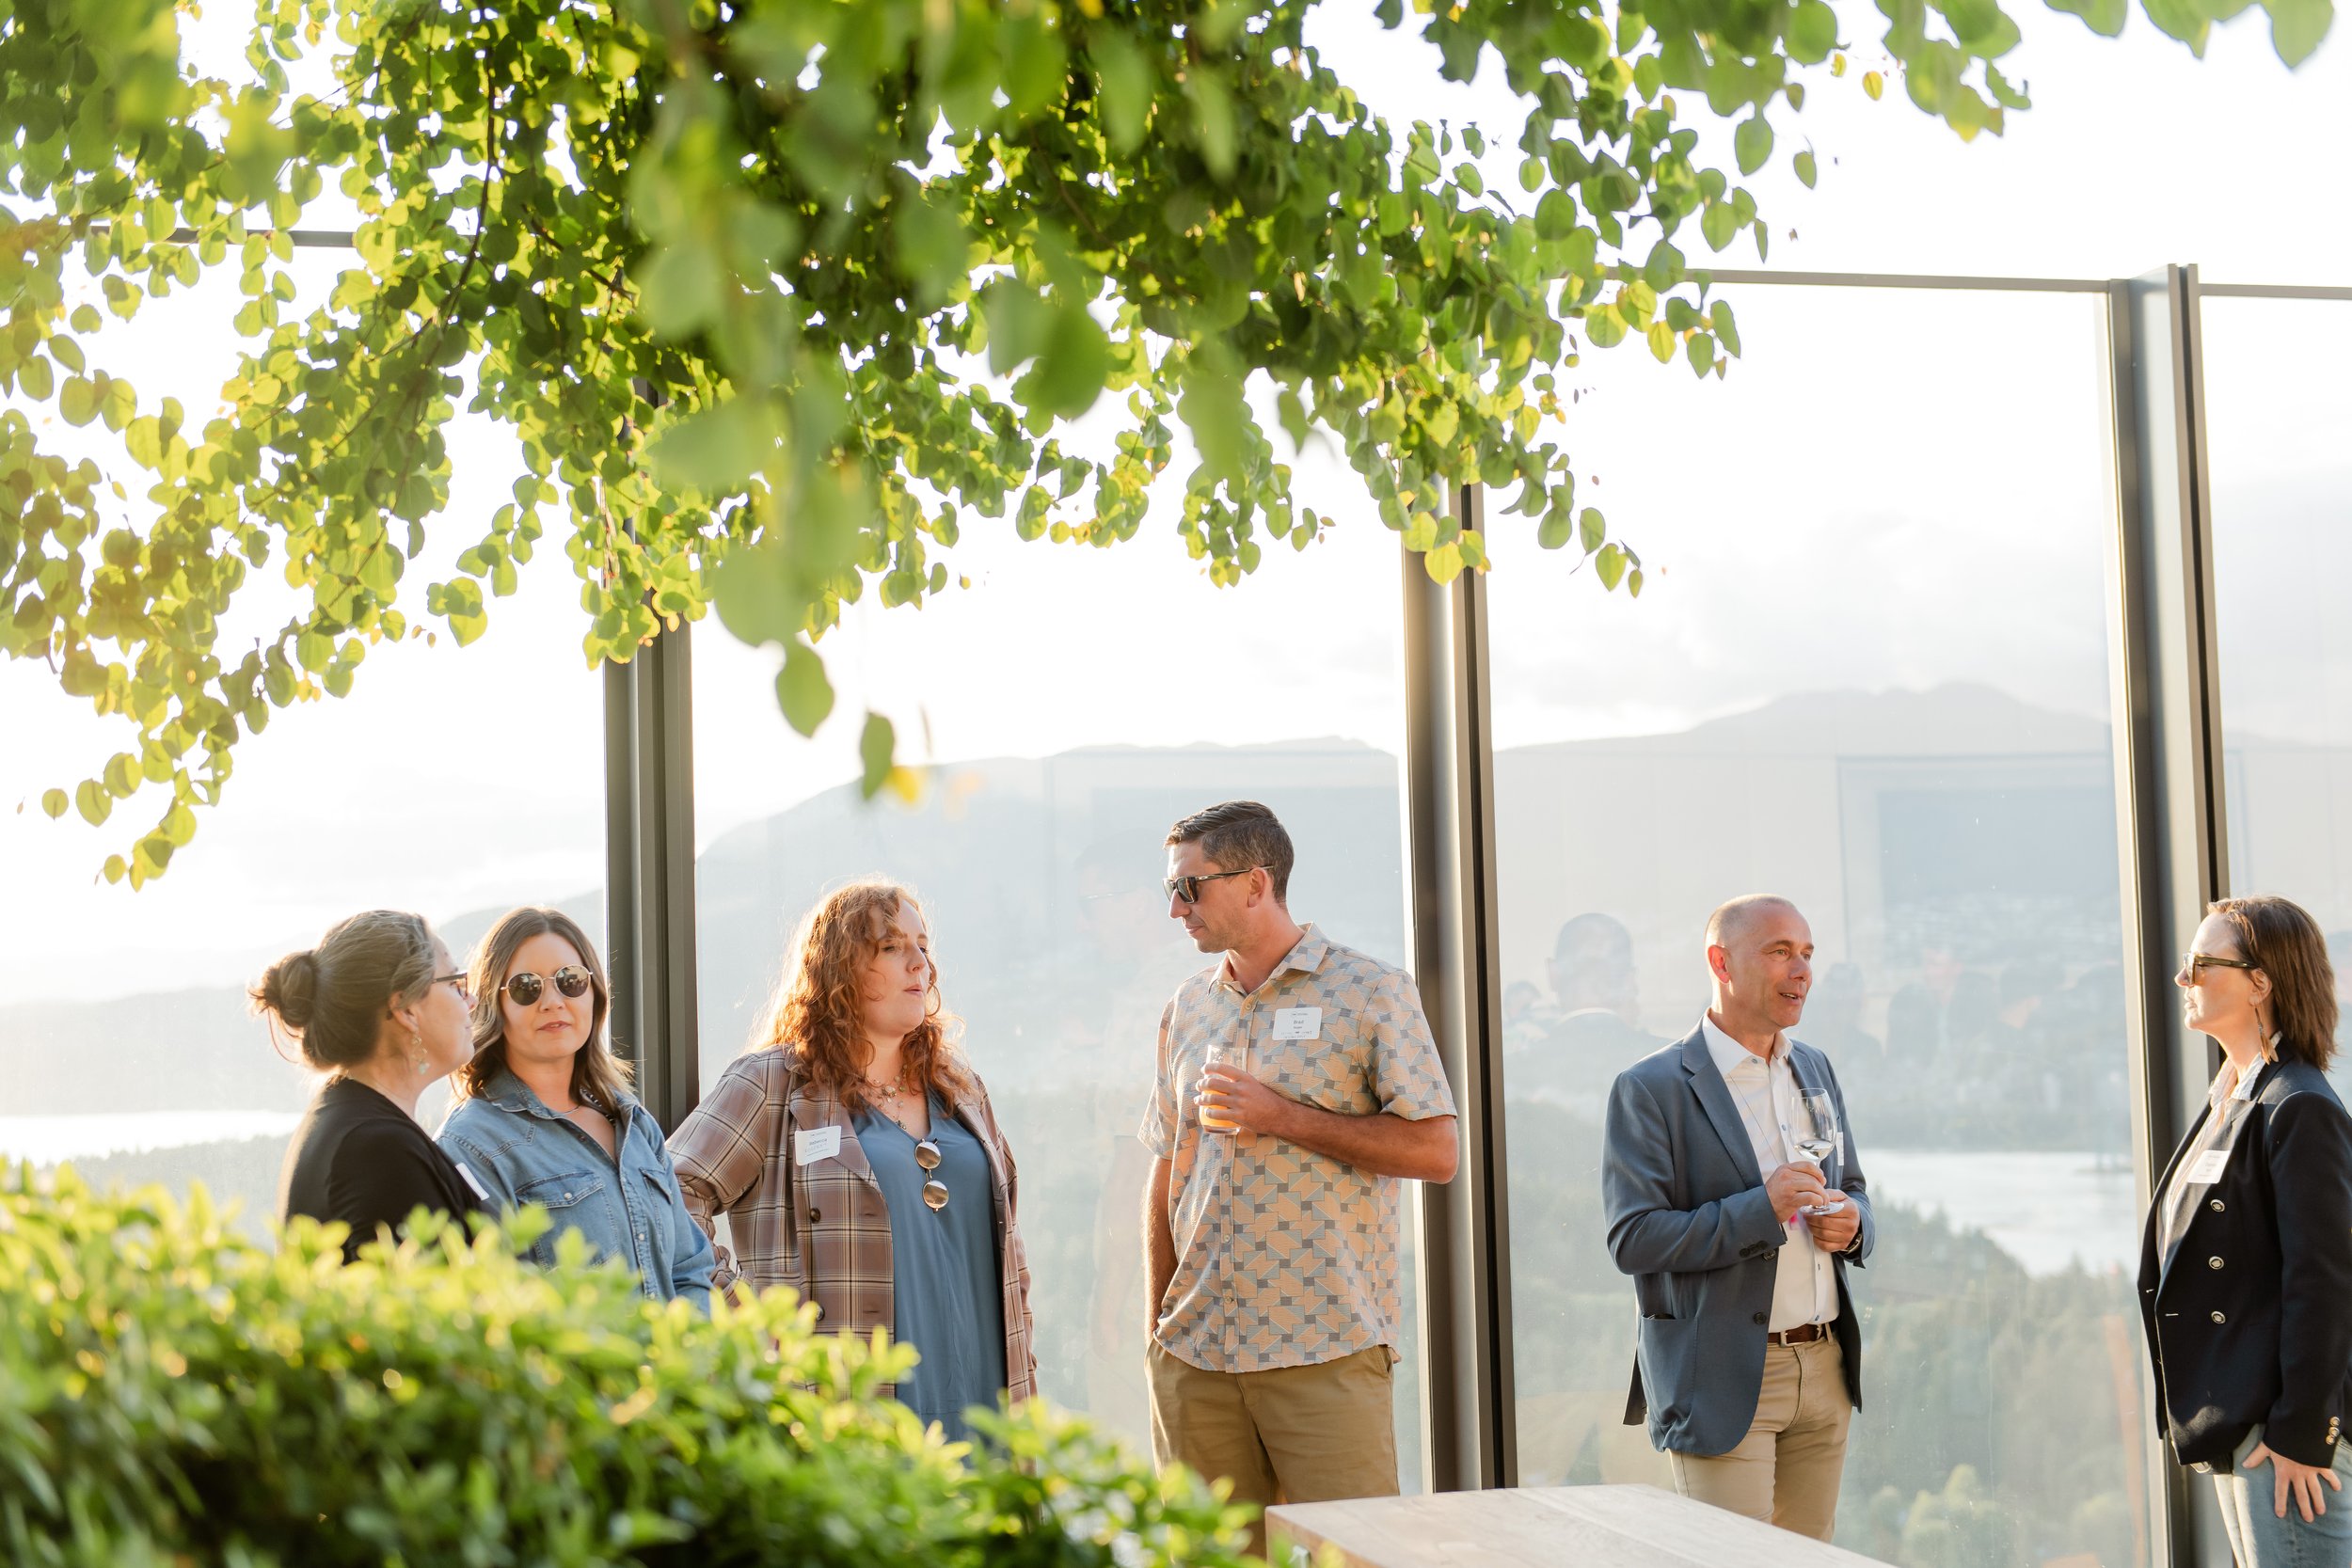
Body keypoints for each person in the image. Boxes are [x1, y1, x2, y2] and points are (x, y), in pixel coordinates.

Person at [1142, 800, 1457, 1549]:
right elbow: (1165, 1170)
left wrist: (1284, 1116)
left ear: (1256, 883)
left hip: (1324, 1350)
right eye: (1171, 892)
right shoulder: (1186, 1008)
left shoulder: (1370, 990)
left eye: (1190, 888)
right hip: (1194, 1357)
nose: (1177, 909)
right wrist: (1156, 1323)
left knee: (1353, 1558)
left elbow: (1436, 1152)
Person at [667, 879, 1036, 1441]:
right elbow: (665, 1194)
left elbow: (1007, 1243)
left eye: (923, 944)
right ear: (838, 968)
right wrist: (740, 1307)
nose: (920, 964)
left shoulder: (960, 1088)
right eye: (891, 947)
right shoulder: (774, 1083)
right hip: (849, 1408)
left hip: (987, 1394)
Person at [1600, 894, 1874, 1542]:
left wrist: (1854, 1222)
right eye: (1780, 951)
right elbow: (1633, 1237)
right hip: (1721, 1380)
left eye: (1807, 952)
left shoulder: (1815, 1067)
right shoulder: (1651, 1087)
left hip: (1826, 1368)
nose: (1801, 969)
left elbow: (1854, 1186)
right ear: (1721, 962)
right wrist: (1763, 1208)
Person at [2140, 895, 2352, 1567]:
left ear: (2261, 981)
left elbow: (2325, 1282)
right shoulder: (2235, 1097)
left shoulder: (2299, 1106)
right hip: (2240, 1423)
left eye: (2202, 963)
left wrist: (2299, 1432)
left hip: (2280, 1438)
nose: (2183, 979)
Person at [437, 907, 713, 1309]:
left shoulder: (633, 1124)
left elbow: (690, 1269)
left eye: (570, 981)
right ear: (495, 1006)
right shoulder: (473, 1145)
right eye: (526, 987)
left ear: (595, 994)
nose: (553, 1001)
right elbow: (498, 1307)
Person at [256, 910, 485, 1259]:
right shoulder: (378, 1149)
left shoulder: (350, 1121)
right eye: (455, 983)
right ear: (406, 1009)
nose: (471, 1000)